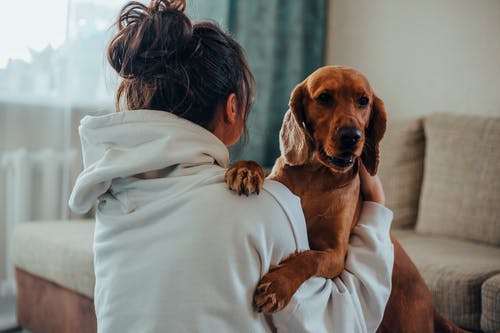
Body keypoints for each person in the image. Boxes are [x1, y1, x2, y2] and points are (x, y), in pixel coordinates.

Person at [69, 0, 394, 332]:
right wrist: (377, 211)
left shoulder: (112, 201)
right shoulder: (258, 210)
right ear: (232, 107)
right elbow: (346, 324)